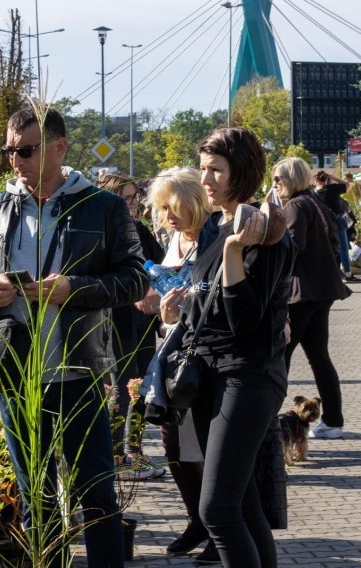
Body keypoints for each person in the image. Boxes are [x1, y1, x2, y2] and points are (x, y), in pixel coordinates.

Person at [0, 107, 148, 568]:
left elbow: (136, 280)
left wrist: (73, 290)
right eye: (9, 151)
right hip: (16, 371)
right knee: (34, 494)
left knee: (95, 491)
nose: (14, 160)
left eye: (25, 150)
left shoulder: (100, 207)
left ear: (59, 148)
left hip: (78, 368)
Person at [167, 127, 293, 567]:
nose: (205, 180)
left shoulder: (265, 230)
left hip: (248, 374)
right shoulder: (212, 228)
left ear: (241, 171)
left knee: (216, 508)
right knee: (242, 506)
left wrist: (236, 252)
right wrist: (180, 307)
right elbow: (209, 300)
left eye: (216, 170)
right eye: (203, 169)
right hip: (207, 372)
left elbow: (246, 320)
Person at [143, 166, 220, 562]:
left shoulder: (215, 237)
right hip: (174, 354)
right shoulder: (175, 239)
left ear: (193, 201)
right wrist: (160, 311)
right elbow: (167, 301)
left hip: (206, 357)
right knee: (172, 443)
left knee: (204, 448)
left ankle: (216, 528)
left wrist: (180, 308)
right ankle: (197, 520)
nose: (167, 216)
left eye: (172, 207)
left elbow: (215, 297)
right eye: (161, 208)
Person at [274, 158, 352, 441]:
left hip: (303, 292)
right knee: (319, 356)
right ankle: (333, 419)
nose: (274, 186)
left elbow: (292, 248)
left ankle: (269, 419)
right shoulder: (314, 202)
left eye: (277, 180)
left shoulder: (295, 205)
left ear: (290, 179)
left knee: (279, 355)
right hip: (323, 289)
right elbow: (332, 240)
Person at [96, 171, 165, 480]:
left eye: (136, 196)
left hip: (145, 320)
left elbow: (161, 264)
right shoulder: (104, 233)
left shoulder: (141, 230)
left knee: (141, 386)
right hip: (117, 319)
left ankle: (133, 450)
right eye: (126, 198)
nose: (134, 204)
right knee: (120, 387)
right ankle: (114, 455)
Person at [314, 170, 360, 283]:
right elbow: (347, 185)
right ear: (327, 179)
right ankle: (347, 274)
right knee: (343, 248)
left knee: (328, 248)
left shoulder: (313, 193)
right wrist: (333, 177)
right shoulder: (332, 189)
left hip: (323, 223)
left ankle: (331, 273)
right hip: (337, 223)